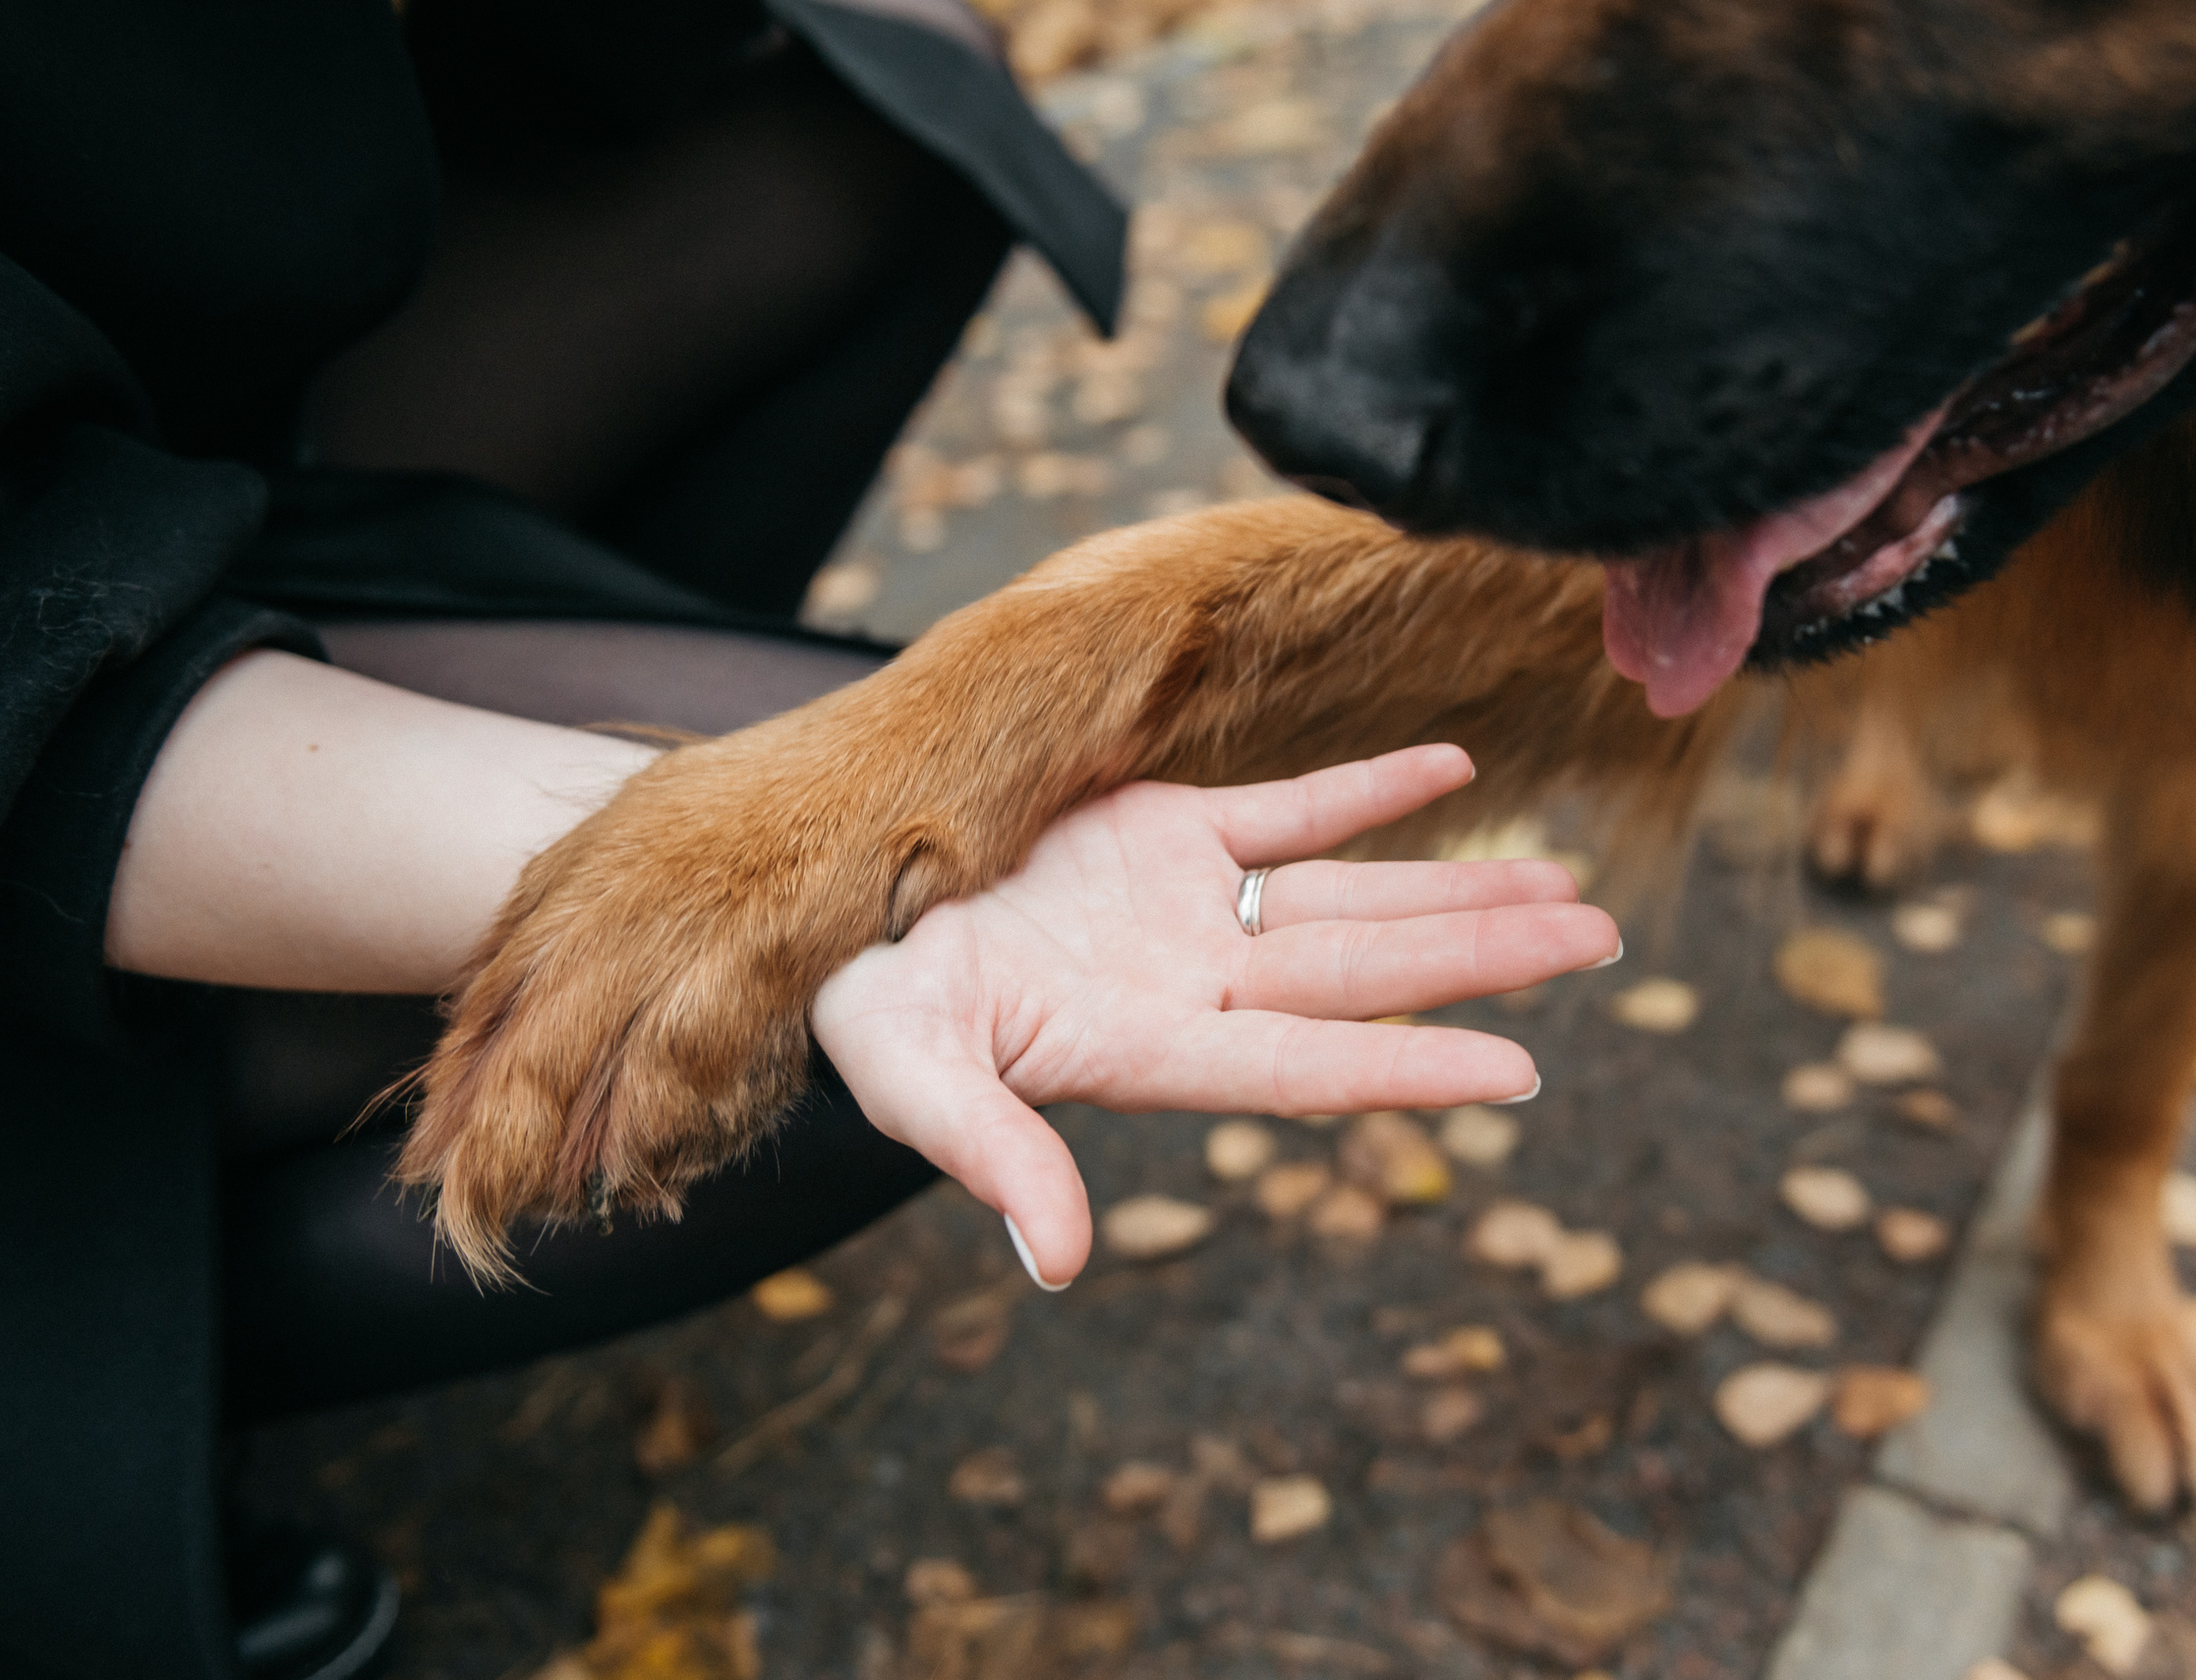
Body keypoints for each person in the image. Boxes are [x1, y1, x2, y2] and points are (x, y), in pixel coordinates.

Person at [0, 4, 1618, 1678]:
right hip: (27, 646)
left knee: (893, 101)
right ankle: (99, 1412)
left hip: (137, 391)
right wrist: (709, 868)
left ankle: (526, 655)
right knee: (843, 1004)